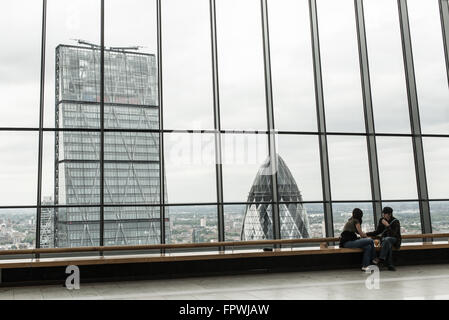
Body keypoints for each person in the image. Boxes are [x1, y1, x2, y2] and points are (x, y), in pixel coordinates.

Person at [367, 207, 402, 271]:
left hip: (394, 240)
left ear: (389, 214)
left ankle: (381, 258)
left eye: (384, 214)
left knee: (387, 240)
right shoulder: (382, 220)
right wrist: (366, 234)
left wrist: (387, 225)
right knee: (388, 244)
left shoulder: (395, 221)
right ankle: (389, 264)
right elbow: (377, 232)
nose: (383, 215)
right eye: (383, 213)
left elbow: (393, 234)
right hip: (385, 240)